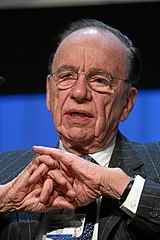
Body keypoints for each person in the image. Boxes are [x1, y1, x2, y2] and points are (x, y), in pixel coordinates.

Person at [0, 18, 160, 240]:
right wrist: (5, 199)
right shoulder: (3, 171)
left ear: (127, 103)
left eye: (99, 80)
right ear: (50, 93)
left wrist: (118, 186)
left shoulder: (157, 163)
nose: (79, 93)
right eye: (66, 76)